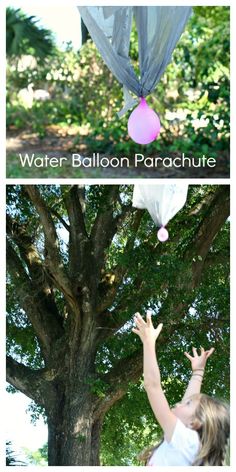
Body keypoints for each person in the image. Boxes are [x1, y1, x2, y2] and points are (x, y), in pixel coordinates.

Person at [132, 312, 230, 466]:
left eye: (188, 404)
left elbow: (153, 386)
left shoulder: (188, 443)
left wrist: (148, 341)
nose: (180, 403)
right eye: (186, 402)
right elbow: (189, 400)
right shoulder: (187, 445)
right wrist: (198, 373)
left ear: (195, 422)